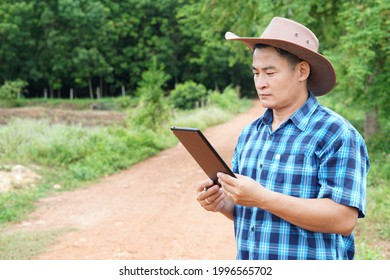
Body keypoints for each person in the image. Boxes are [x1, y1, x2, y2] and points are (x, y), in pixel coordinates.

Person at [196, 17, 370, 260]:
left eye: (270, 72)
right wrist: (222, 203)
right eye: (256, 73)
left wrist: (262, 197)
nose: (260, 83)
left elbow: (342, 219)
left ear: (301, 71)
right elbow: (250, 210)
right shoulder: (250, 134)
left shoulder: (336, 134)